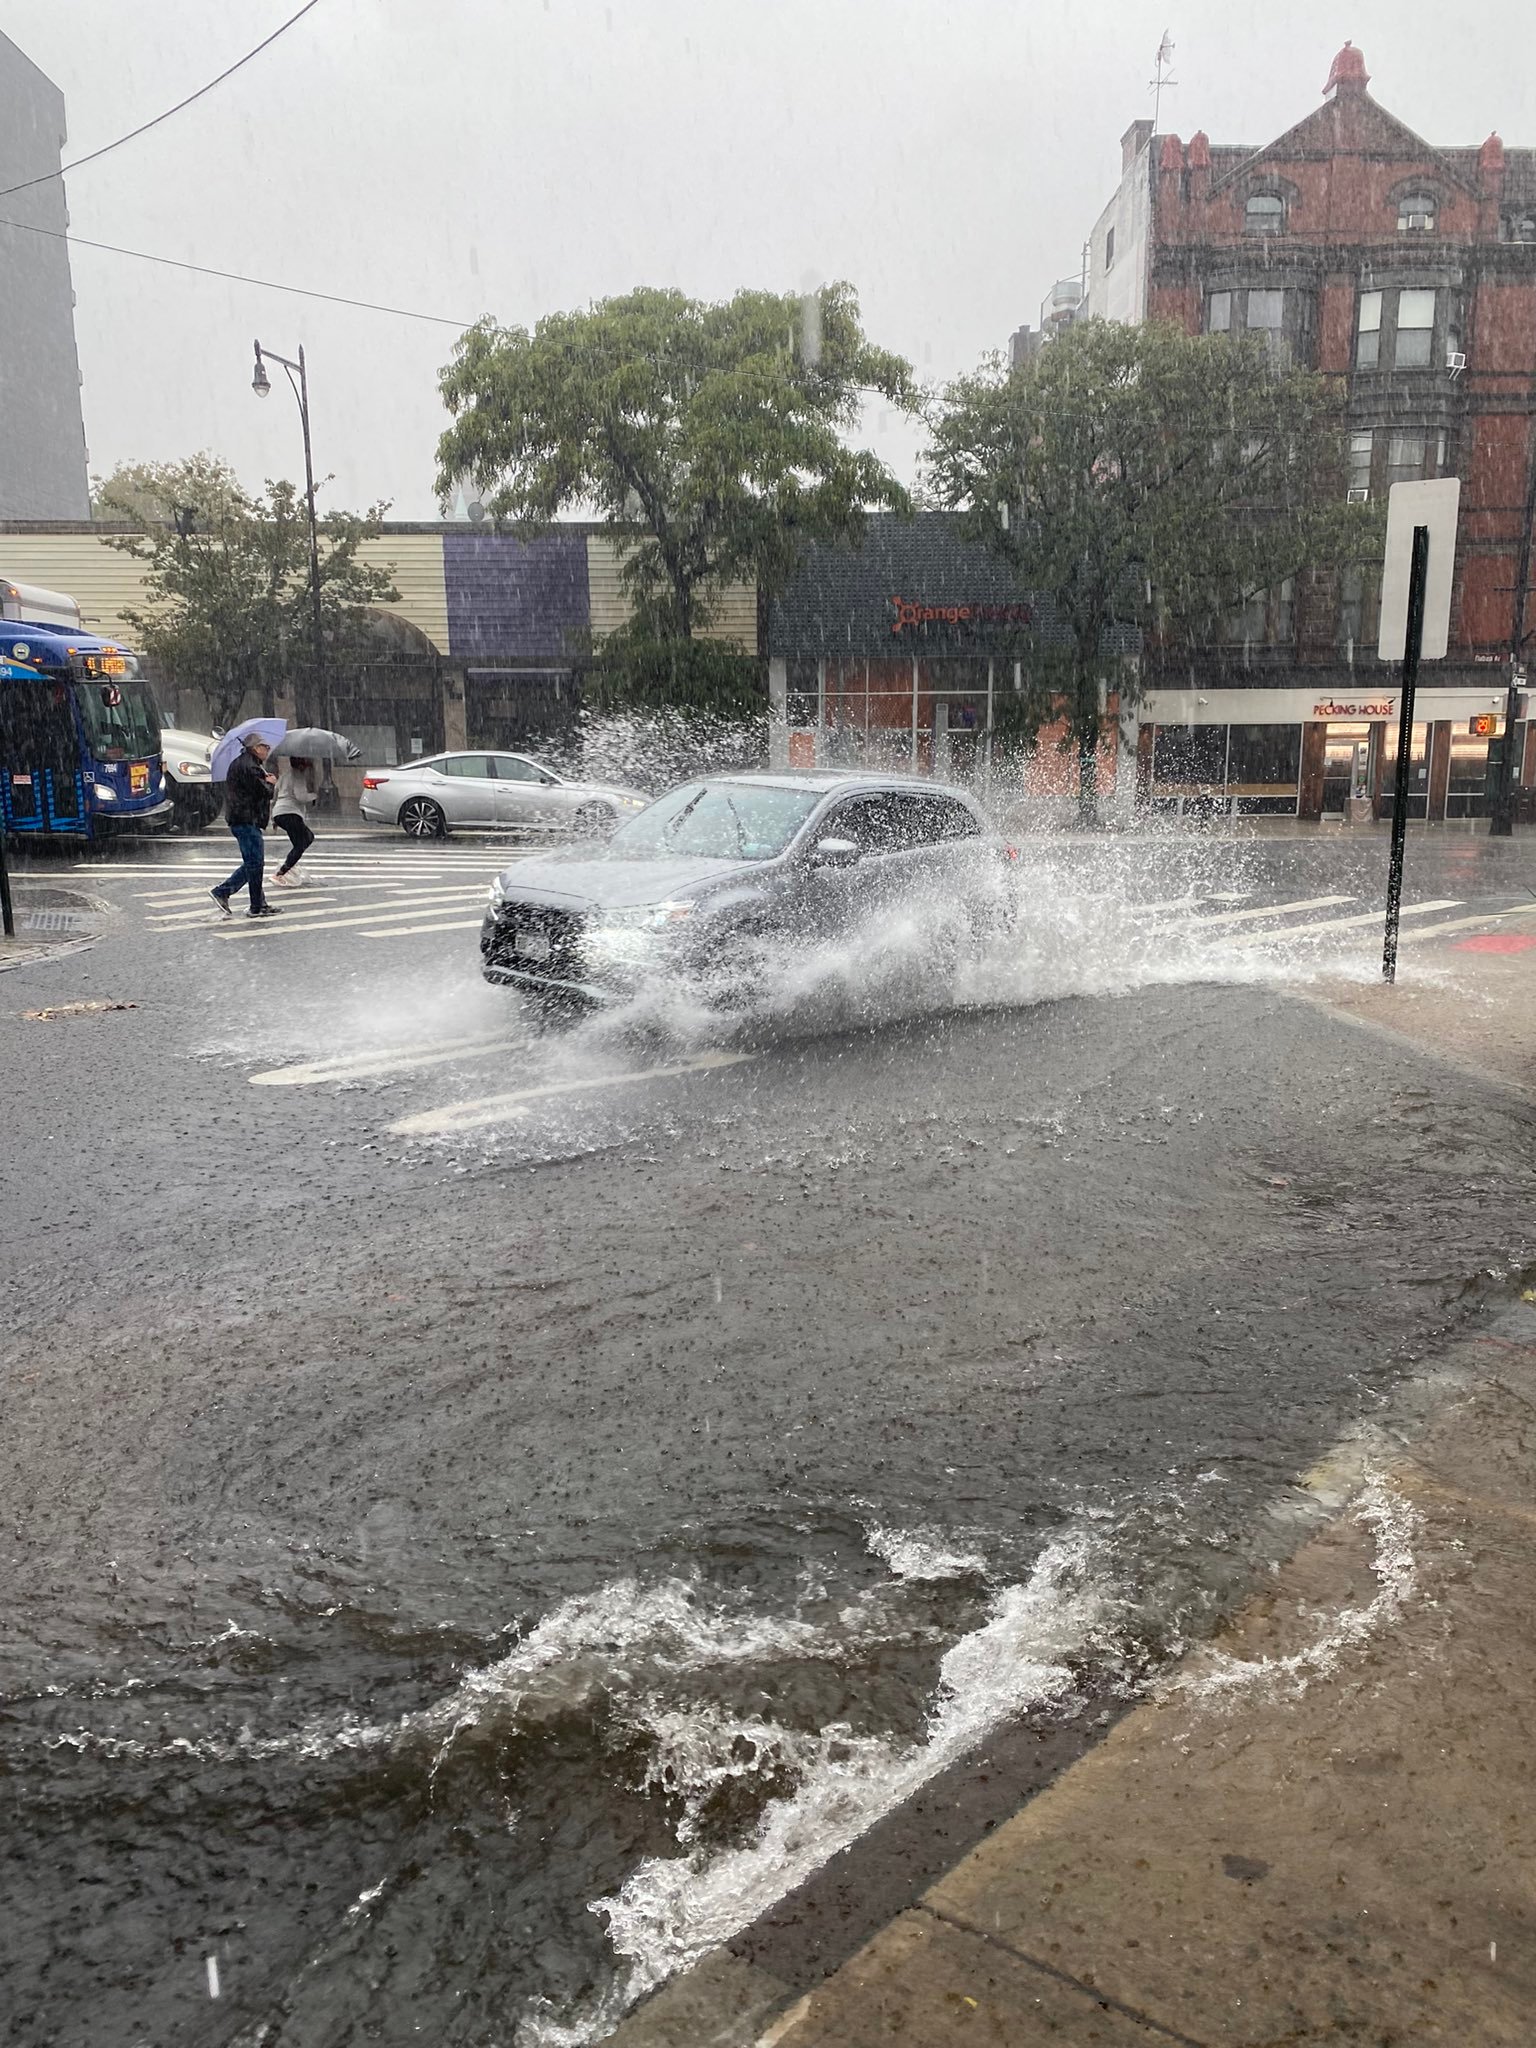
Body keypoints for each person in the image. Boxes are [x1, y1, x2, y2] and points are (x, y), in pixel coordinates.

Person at [210, 735, 280, 919]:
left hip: (245, 818)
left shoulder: (248, 764)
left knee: (254, 862)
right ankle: (224, 892)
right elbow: (262, 792)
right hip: (245, 819)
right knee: (254, 863)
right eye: (265, 746)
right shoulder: (249, 766)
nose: (267, 750)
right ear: (255, 748)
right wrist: (271, 784)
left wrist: (263, 778)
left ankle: (259, 904)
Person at [270, 753, 319, 887]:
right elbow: (301, 797)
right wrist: (314, 796)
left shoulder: (285, 775)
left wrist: (273, 818)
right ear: (302, 763)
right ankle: (281, 872)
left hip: (280, 813)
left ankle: (289, 865)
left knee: (299, 842)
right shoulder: (298, 775)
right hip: (290, 812)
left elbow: (275, 796)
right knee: (307, 838)